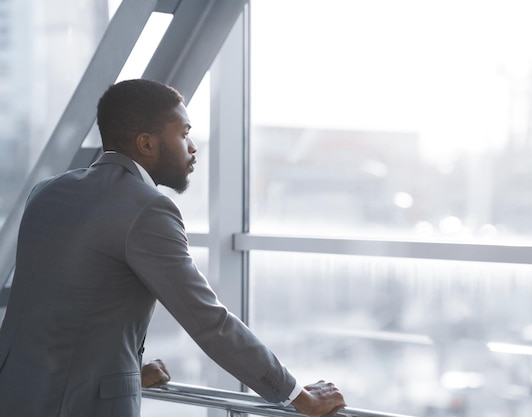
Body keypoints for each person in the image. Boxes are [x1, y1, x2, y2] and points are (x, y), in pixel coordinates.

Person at [0, 79, 346, 417]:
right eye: (183, 133)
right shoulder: (146, 207)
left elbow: (62, 305)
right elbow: (209, 322)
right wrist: (297, 396)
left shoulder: (48, 191)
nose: (192, 146)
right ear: (146, 144)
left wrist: (128, 369)